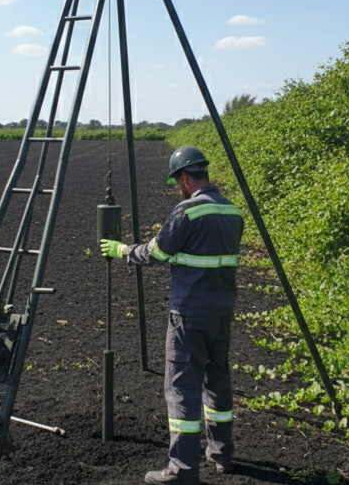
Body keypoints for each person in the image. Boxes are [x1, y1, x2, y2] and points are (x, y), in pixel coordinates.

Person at [100, 146, 244, 485]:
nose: (177, 187)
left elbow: (158, 252)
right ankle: (222, 454)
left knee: (180, 387)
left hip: (189, 314)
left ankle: (181, 470)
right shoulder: (233, 211)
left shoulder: (187, 211)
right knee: (218, 381)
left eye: (176, 181)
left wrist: (124, 250)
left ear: (184, 177)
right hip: (222, 313)